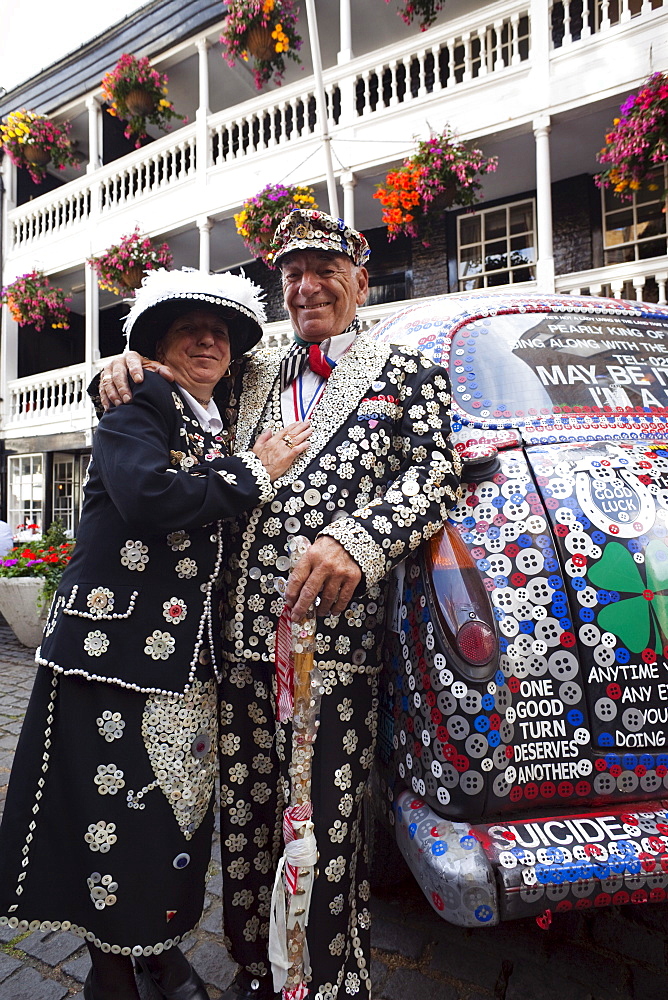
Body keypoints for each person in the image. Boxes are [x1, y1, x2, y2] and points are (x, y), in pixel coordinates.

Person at [99, 210, 462, 1000]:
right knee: (247, 818)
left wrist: (359, 541)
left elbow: (438, 475)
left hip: (329, 652)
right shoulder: (252, 371)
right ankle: (256, 969)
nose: (307, 286)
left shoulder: (405, 371)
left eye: (325, 268)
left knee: (321, 823)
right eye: (292, 273)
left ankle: (325, 980)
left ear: (361, 280)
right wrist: (123, 363)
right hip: (232, 645)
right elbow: (178, 380)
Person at [0, 269, 311, 1000]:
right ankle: (113, 966)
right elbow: (145, 497)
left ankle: (157, 948)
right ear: (153, 346)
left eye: (221, 332)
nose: (208, 339)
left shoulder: (213, 412)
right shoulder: (141, 397)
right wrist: (251, 474)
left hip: (183, 659)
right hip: (115, 653)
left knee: (175, 808)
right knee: (110, 810)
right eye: (187, 328)